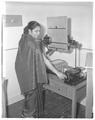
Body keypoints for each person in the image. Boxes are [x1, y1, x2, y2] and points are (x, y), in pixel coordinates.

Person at [15, 21, 67, 118]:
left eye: (39, 31)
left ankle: (26, 113)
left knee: (29, 97)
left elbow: (37, 55)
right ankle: (27, 116)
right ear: (30, 30)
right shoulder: (32, 43)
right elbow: (44, 59)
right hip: (30, 74)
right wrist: (57, 73)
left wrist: (44, 47)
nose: (38, 34)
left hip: (22, 71)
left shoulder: (24, 37)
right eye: (36, 31)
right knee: (32, 96)